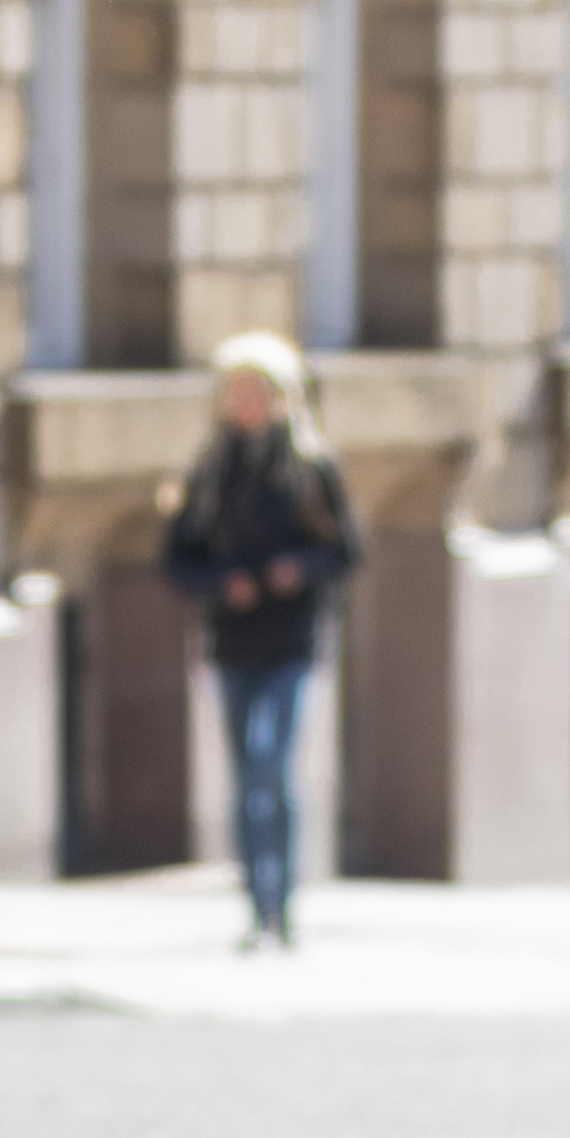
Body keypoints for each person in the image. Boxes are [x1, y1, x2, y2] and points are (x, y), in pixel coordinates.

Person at [159, 335, 363, 952]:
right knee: (247, 773)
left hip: (291, 638)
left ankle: (282, 904)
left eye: (257, 391)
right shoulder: (209, 470)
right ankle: (255, 904)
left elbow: (346, 550)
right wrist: (225, 583)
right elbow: (177, 560)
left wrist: (295, 570)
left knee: (272, 766)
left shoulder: (309, 466)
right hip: (232, 639)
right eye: (236, 391)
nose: (245, 403)